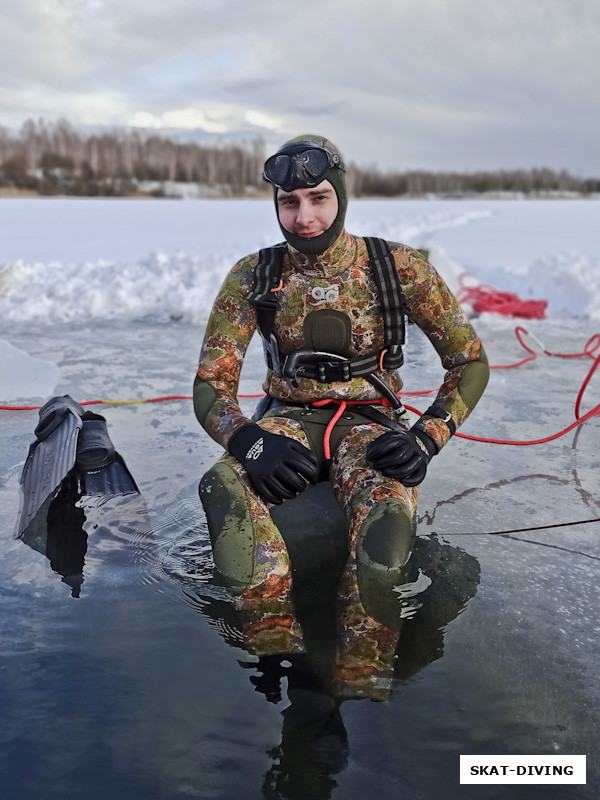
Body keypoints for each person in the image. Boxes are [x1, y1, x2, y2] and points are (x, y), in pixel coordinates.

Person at [193, 134, 489, 660]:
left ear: (342, 196)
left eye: (319, 198)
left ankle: (362, 675)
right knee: (220, 485)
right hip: (287, 421)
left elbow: (469, 363)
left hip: (371, 424)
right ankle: (277, 651)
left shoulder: (398, 269)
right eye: (289, 202)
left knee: (387, 527)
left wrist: (425, 440)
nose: (304, 215)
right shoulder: (253, 276)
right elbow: (211, 388)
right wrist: (251, 444)